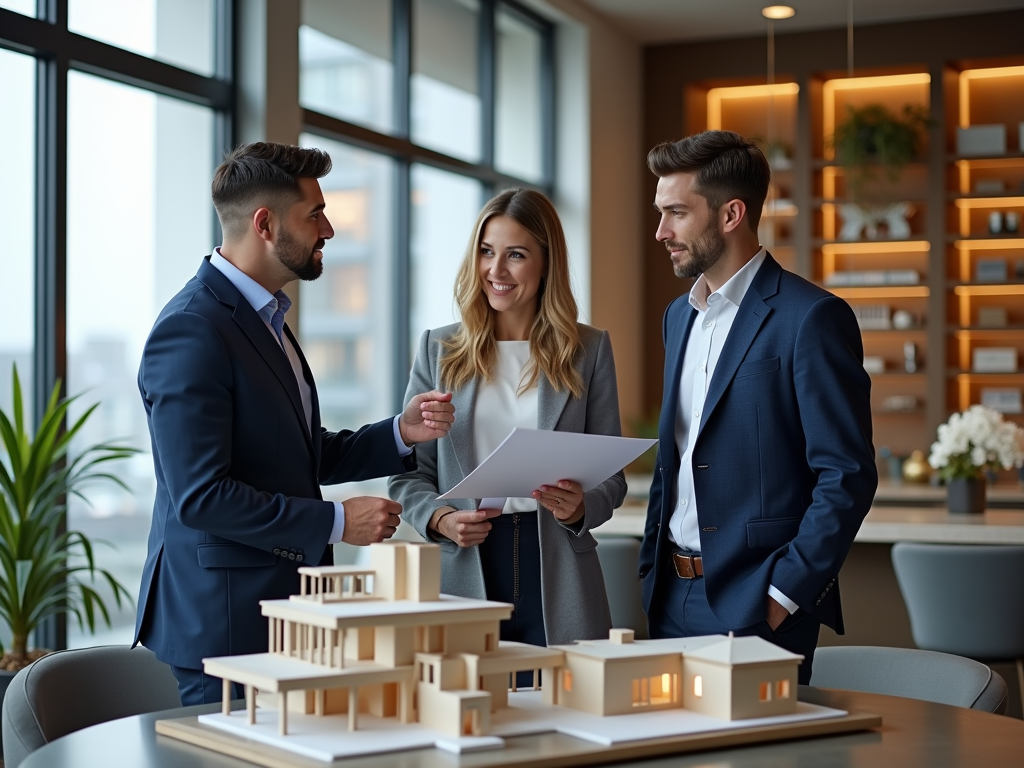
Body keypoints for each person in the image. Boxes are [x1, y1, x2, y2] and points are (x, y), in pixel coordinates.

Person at [133, 142, 455, 706]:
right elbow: (202, 497)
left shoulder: (267, 318)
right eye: (314, 214)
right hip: (225, 628)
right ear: (264, 223)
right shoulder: (191, 329)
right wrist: (336, 522)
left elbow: (296, 455)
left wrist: (401, 433)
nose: (328, 228)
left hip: (282, 615)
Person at [639, 130, 877, 684]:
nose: (660, 232)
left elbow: (846, 474)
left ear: (730, 215)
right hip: (668, 596)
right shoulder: (680, 317)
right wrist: (653, 571)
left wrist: (782, 595)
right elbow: (678, 455)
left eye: (676, 212)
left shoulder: (811, 317)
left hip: (756, 606)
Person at [389, 188, 626, 656]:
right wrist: (440, 518)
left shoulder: (589, 350)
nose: (495, 271)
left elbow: (612, 479)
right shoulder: (439, 350)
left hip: (558, 569)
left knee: (565, 713)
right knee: (474, 715)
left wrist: (580, 508)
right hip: (466, 564)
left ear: (546, 263)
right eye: (486, 252)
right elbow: (408, 474)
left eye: (515, 255)